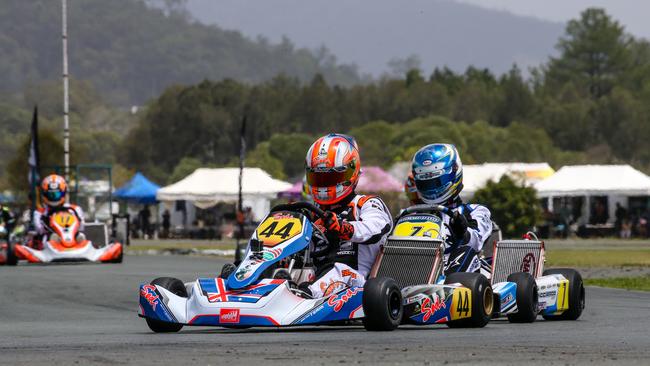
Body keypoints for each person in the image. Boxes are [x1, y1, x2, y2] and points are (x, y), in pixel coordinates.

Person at [303, 133, 393, 298]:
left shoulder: (366, 204)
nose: (324, 184)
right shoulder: (310, 211)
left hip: (359, 282)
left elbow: (374, 228)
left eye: (331, 177)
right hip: (315, 276)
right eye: (319, 178)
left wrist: (343, 227)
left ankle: (304, 296)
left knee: (340, 271)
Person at [411, 143, 492, 275]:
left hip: (459, 273)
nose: (432, 188)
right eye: (426, 183)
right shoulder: (413, 216)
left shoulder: (476, 211)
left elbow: (476, 243)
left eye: (436, 182)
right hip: (419, 269)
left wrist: (463, 232)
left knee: (464, 253)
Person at [33, 174, 85, 241]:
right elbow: (40, 229)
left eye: (57, 194)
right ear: (45, 194)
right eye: (51, 195)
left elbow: (81, 227)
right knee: (45, 238)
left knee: (80, 236)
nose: (54, 197)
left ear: (63, 193)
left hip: (71, 237)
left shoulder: (75, 209)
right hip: (49, 240)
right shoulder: (39, 212)